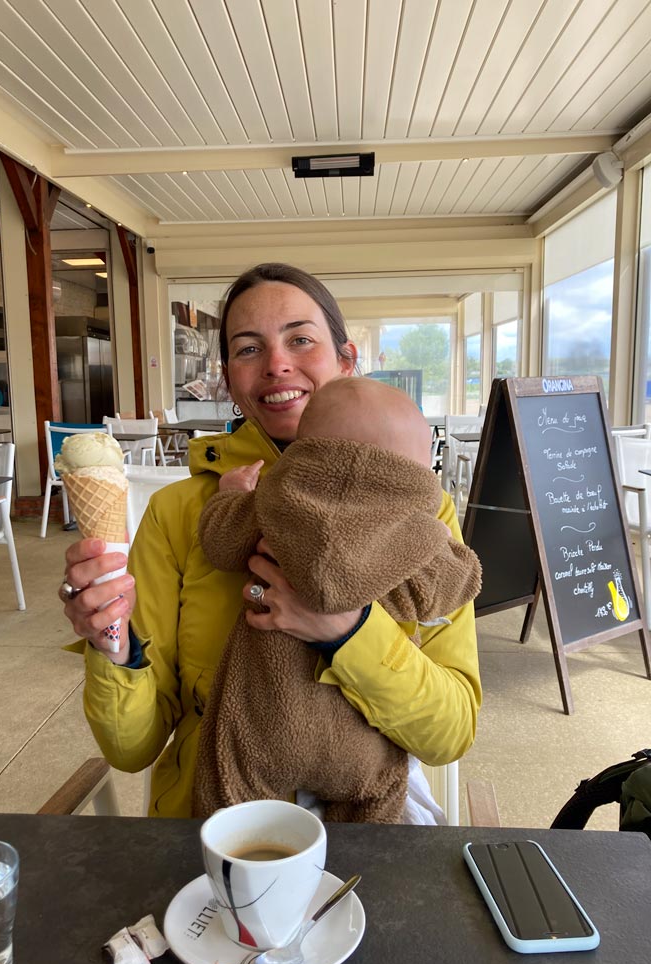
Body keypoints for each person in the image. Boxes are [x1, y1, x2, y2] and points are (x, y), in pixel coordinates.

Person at [60, 263, 482, 819]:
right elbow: (131, 749)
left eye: (301, 339)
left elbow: (450, 732)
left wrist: (345, 631)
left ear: (346, 360)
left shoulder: (425, 514)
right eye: (248, 349)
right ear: (230, 379)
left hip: (366, 815)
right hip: (215, 822)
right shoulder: (182, 512)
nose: (277, 364)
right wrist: (111, 644)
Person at [192, 376, 482, 823]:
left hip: (264, 721)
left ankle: (234, 873)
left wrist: (229, 499)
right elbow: (451, 588)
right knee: (379, 798)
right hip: (360, 744)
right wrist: (447, 546)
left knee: (228, 791)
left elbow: (221, 542)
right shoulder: (417, 534)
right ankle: (359, 882)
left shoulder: (274, 501)